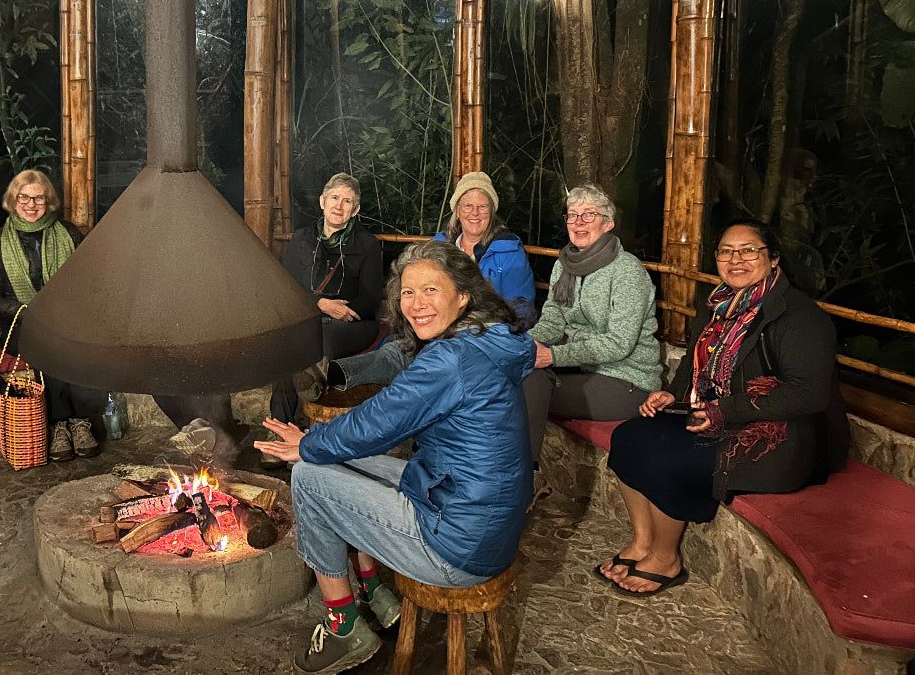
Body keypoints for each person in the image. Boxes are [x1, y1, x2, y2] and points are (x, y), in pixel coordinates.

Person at [256, 240, 535, 674]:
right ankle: (375, 592)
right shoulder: (485, 338)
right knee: (326, 459)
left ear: (463, 296)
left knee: (309, 476)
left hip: (458, 546)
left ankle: (343, 629)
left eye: (430, 290)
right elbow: (376, 415)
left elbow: (378, 422)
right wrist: (315, 441)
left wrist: (308, 444)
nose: (416, 304)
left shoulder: (452, 358)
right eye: (408, 292)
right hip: (478, 517)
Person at [597, 219, 849, 596]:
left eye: (749, 251)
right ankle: (643, 543)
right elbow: (694, 364)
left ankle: (665, 558)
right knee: (629, 436)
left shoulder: (800, 316)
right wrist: (673, 397)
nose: (736, 260)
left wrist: (723, 411)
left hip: (774, 437)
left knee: (668, 457)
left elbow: (809, 394)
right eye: (727, 252)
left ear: (774, 259)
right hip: (713, 415)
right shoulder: (718, 305)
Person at [326, 170, 534, 393]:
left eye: (482, 206)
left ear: (492, 211)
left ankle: (336, 377)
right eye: (467, 206)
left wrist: (479, 330)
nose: (474, 213)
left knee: (406, 357)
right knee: (397, 349)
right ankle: (330, 375)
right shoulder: (439, 245)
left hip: (476, 336)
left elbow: (522, 311)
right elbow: (413, 286)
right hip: (433, 327)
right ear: (457, 210)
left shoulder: (508, 252)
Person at [523, 183, 662, 464]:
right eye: (573, 215)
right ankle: (512, 472)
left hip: (626, 381)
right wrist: (526, 344)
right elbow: (553, 319)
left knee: (525, 388)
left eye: (589, 214)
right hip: (583, 369)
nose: (579, 222)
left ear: (607, 223)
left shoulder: (627, 271)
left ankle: (516, 476)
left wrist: (553, 356)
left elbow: (619, 344)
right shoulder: (564, 265)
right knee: (520, 373)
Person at [0, 170, 99, 463]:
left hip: (67, 320)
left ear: (49, 201)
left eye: (39, 198)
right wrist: (28, 312)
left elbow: (89, 281)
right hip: (20, 323)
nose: (31, 204)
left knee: (84, 343)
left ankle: (81, 423)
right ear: (13, 200)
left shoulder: (69, 234)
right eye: (24, 197)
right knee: (49, 344)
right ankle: (59, 426)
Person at [272, 172, 383, 424]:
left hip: (351, 322)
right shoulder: (302, 239)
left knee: (317, 340)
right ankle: (280, 427)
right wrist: (320, 305)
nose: (338, 205)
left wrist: (341, 312)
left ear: (355, 210)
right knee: (289, 349)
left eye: (347, 201)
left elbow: (370, 300)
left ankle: (314, 421)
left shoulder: (367, 245)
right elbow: (287, 289)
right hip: (310, 317)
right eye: (334, 198)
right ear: (322, 202)